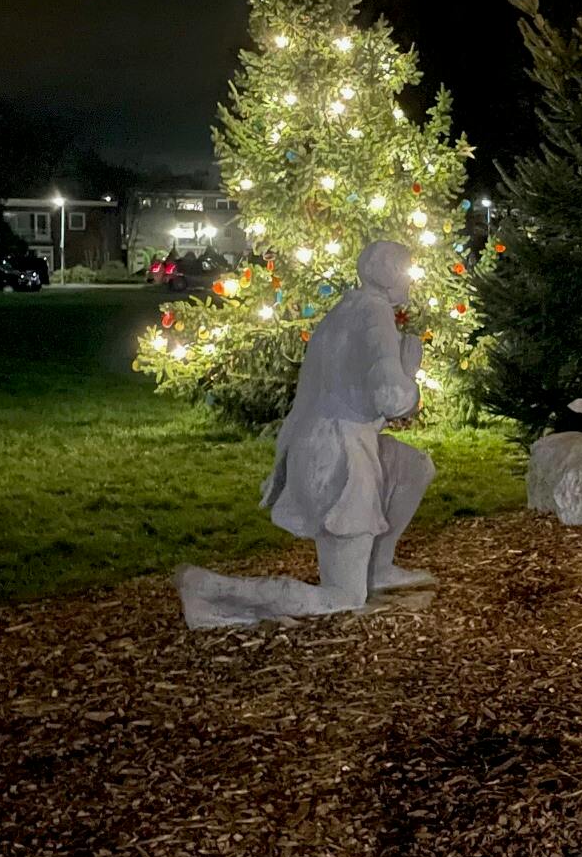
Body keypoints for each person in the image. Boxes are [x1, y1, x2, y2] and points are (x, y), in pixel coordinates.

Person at [176, 241, 435, 629]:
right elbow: (391, 397)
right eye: (406, 272)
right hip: (340, 458)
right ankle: (211, 590)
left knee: (413, 466)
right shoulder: (374, 315)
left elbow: (350, 393)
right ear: (390, 276)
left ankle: (377, 567)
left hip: (323, 444)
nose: (411, 281)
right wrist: (409, 372)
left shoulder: (344, 312)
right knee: (342, 598)